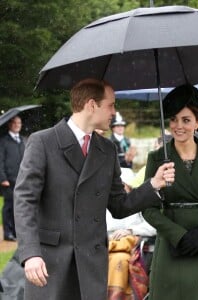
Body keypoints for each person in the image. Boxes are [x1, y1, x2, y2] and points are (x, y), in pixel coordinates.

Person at [13, 78, 175, 300]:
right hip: (50, 262)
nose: (114, 112)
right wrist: (30, 254)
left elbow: (119, 205)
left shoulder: (107, 150)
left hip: (91, 264)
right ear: (91, 105)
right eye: (111, 105)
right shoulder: (43, 142)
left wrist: (153, 185)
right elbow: (25, 201)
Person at [142, 84, 198, 300]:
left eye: (186, 120)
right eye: (173, 119)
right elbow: (147, 207)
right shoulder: (157, 158)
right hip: (171, 244)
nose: (178, 126)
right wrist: (178, 236)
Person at [107, 168, 156, 300]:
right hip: (106, 245)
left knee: (120, 260)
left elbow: (152, 227)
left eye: (123, 185)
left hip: (131, 248)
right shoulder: (104, 203)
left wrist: (130, 231)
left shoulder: (138, 205)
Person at [0, 115, 24, 241]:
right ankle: (7, 233)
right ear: (10, 124)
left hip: (22, 180)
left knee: (19, 207)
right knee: (9, 207)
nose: (17, 125)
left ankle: (15, 232)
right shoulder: (3, 141)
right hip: (8, 181)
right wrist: (2, 178)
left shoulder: (22, 140)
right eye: (14, 123)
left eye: (19, 123)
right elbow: (0, 161)